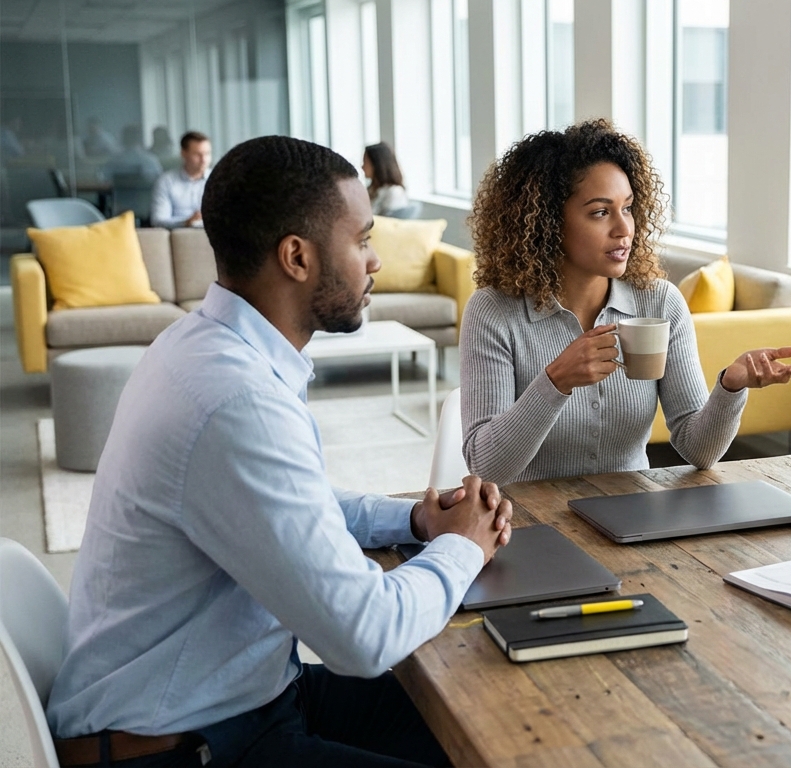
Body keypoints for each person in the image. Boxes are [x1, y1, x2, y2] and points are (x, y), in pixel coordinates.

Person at [46, 135, 514, 767]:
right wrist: (465, 545)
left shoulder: (198, 347)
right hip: (179, 746)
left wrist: (416, 520)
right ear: (296, 256)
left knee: (485, 714)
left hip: (243, 700)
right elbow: (363, 635)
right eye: (363, 239)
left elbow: (297, 505)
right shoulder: (235, 400)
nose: (375, 260)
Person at [459, 118, 791, 486]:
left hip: (632, 517)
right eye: (600, 212)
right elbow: (486, 467)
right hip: (528, 522)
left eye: (627, 208)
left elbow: (698, 449)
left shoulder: (660, 303)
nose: (624, 228)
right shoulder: (494, 312)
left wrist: (731, 387)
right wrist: (556, 381)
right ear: (548, 222)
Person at [150, 131, 212, 228]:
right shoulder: (166, 182)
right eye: (197, 154)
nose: (204, 159)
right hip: (179, 235)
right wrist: (185, 222)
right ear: (183, 153)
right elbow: (158, 220)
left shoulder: (219, 180)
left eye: (207, 154)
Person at [363, 141, 410, 215]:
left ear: (377, 164)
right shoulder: (372, 189)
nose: (362, 166)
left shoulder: (394, 192)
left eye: (365, 162)